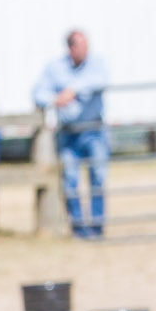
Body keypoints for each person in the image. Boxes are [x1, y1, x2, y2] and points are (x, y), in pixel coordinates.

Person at [34, 29, 109, 239]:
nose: (85, 50)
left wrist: (73, 90)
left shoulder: (97, 63)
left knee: (98, 176)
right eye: (81, 46)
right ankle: (78, 227)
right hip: (68, 133)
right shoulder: (55, 68)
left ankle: (97, 226)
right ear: (70, 48)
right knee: (70, 179)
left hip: (94, 130)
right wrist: (55, 99)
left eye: (87, 45)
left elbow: (102, 80)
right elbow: (37, 92)